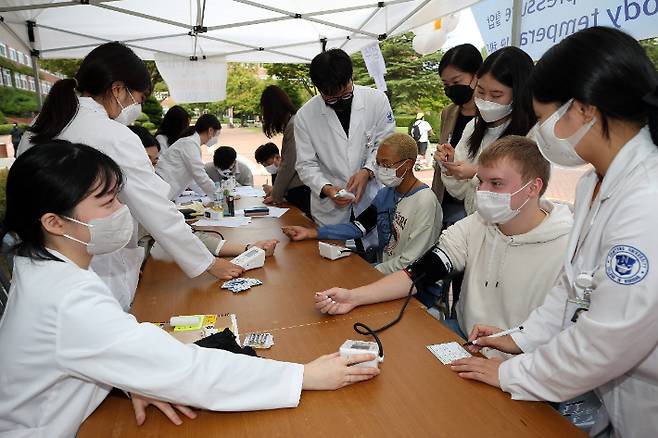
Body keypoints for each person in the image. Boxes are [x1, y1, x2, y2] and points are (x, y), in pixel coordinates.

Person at [0, 141, 380, 436]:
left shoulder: (43, 269)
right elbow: (190, 372)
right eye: (109, 201)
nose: (121, 211)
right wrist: (303, 376)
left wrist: (131, 377)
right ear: (55, 221)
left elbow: (108, 344)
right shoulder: (66, 298)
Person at [448, 27, 658, 438]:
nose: (539, 131)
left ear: (583, 111)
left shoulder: (646, 200)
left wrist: (512, 372)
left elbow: (607, 341)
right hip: (620, 397)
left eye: (543, 118)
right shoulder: (593, 183)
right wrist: (519, 338)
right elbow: (573, 287)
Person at [17, 42, 242, 311]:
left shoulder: (41, 124)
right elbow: (155, 208)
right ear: (117, 89)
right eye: (139, 98)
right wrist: (206, 262)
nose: (137, 108)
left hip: (44, 265)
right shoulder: (112, 135)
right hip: (98, 266)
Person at [314, 136, 572, 340]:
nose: (482, 191)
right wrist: (354, 296)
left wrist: (512, 367)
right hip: (464, 336)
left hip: (522, 359)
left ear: (534, 187)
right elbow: (416, 274)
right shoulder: (475, 226)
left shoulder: (568, 248)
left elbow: (564, 336)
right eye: (480, 181)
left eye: (496, 183)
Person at [283, 133, 441, 274]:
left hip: (414, 283)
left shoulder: (425, 202)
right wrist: (311, 233)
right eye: (378, 164)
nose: (381, 170)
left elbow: (412, 261)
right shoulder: (386, 193)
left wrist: (371, 272)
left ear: (407, 164)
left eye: (386, 164)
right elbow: (359, 227)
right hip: (387, 272)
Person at [295, 48, 396, 226]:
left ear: (351, 78)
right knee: (332, 249)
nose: (340, 102)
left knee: (370, 250)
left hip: (370, 200)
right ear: (319, 89)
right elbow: (306, 164)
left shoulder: (377, 100)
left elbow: (385, 143)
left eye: (346, 94)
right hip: (329, 210)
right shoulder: (305, 116)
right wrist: (326, 188)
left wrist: (368, 171)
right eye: (332, 99)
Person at [437, 46, 535, 215]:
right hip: (476, 226)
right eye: (480, 92)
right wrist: (450, 165)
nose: (486, 101)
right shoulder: (473, 127)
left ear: (519, 94)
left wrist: (477, 173)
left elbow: (522, 194)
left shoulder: (532, 136)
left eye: (496, 95)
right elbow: (461, 193)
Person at [432, 43, 483, 224]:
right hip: (444, 195)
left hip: (474, 203)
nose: (451, 88)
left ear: (476, 76)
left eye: (456, 82)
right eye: (446, 84)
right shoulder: (449, 112)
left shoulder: (488, 115)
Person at [258, 84, 311, 217]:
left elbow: (288, 164)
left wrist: (276, 194)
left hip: (302, 192)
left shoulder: (293, 125)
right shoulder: (293, 122)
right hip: (299, 190)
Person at [155, 114, 220, 200]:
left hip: (165, 190)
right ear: (210, 130)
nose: (217, 138)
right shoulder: (190, 143)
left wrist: (207, 193)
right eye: (217, 133)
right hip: (161, 188)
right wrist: (218, 196)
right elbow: (199, 175)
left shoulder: (191, 143)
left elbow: (193, 177)